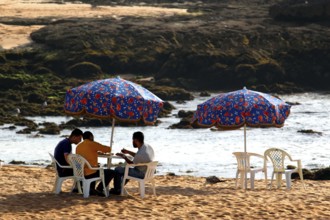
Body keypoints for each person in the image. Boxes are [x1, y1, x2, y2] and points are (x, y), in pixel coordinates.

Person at [76, 131, 115, 196]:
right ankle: (99, 189)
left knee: (96, 168)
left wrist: (96, 152)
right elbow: (108, 149)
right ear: (91, 136)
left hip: (81, 172)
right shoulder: (92, 144)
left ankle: (92, 189)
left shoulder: (78, 146)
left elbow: (85, 155)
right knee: (111, 172)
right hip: (91, 172)